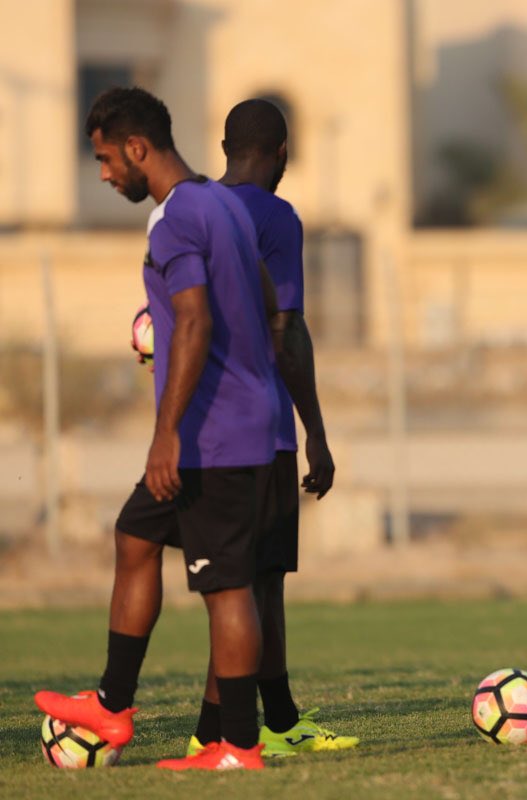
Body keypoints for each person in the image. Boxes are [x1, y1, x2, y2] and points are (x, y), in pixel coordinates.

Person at [35, 86, 280, 770]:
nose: (106, 174)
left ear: (138, 148)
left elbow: (196, 318)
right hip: (235, 418)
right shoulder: (223, 204)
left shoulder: (173, 221)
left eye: (107, 159)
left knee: (227, 587)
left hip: (212, 434)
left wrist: (166, 431)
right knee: (135, 536)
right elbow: (261, 294)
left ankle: (237, 747)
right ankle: (112, 707)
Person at [184, 98, 357, 756]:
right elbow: (287, 331)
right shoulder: (276, 217)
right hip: (261, 429)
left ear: (225, 145)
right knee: (254, 590)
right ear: (282, 152)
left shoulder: (190, 208)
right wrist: (315, 428)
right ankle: (224, 734)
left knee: (245, 585)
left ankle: (277, 721)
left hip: (199, 432)